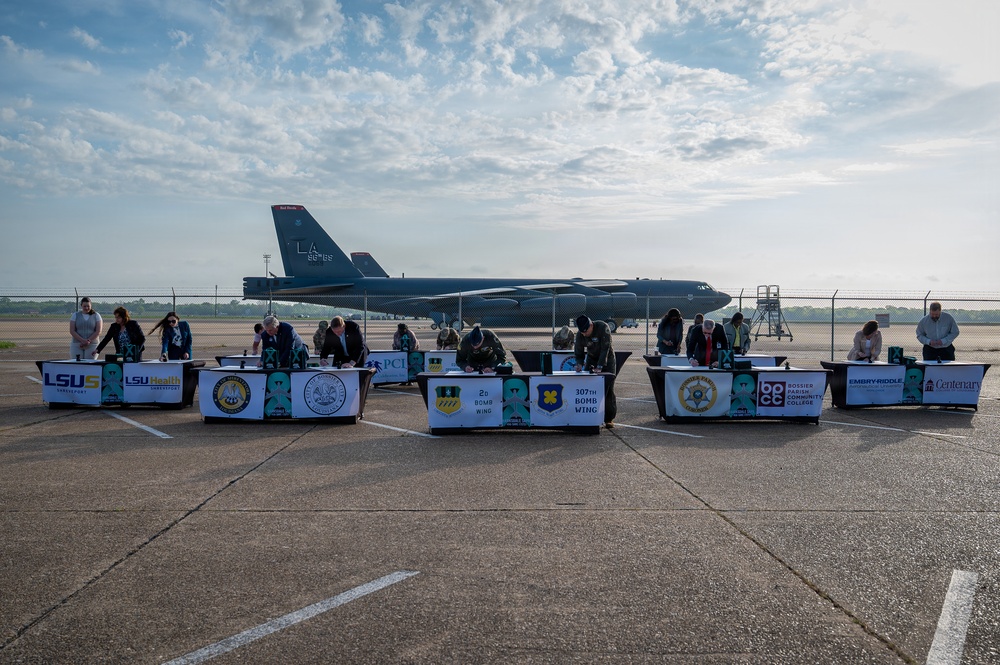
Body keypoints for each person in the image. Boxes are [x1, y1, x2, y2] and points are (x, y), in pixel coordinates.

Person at [573, 315, 617, 428]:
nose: (584, 334)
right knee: (587, 388)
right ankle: (589, 416)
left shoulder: (603, 327)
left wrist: (600, 366)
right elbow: (579, 351)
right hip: (591, 359)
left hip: (607, 361)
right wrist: (579, 364)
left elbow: (605, 349)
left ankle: (609, 418)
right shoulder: (580, 334)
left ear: (591, 325)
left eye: (586, 331)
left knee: (608, 389)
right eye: (582, 332)